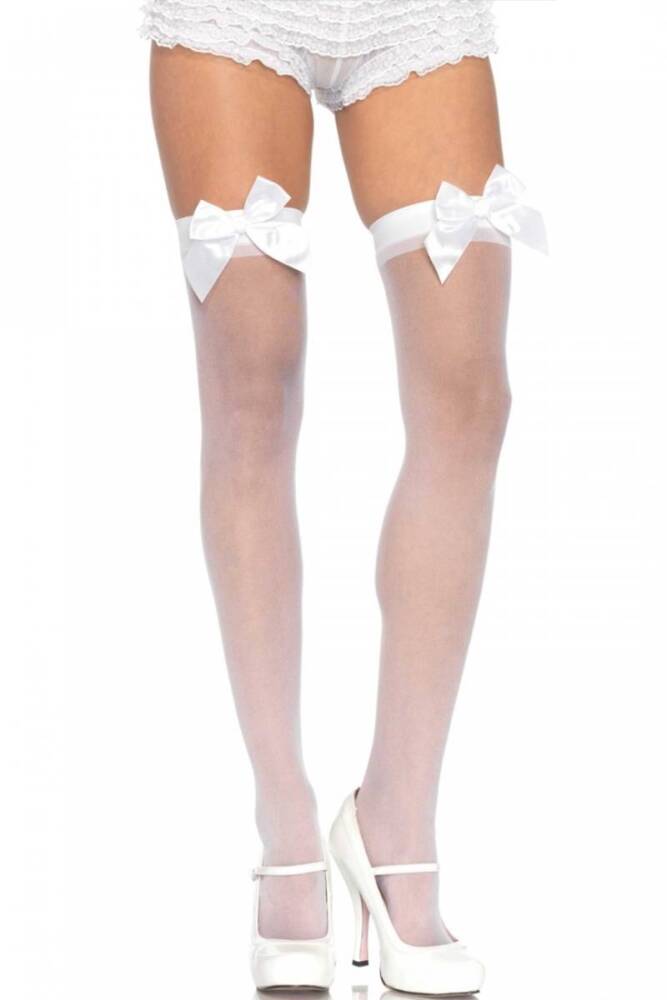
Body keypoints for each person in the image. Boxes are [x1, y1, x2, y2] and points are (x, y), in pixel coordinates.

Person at [142, 0, 545, 991]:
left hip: (417, 18)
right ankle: (285, 831)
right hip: (233, 18)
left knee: (469, 398)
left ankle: (394, 825)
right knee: (252, 387)